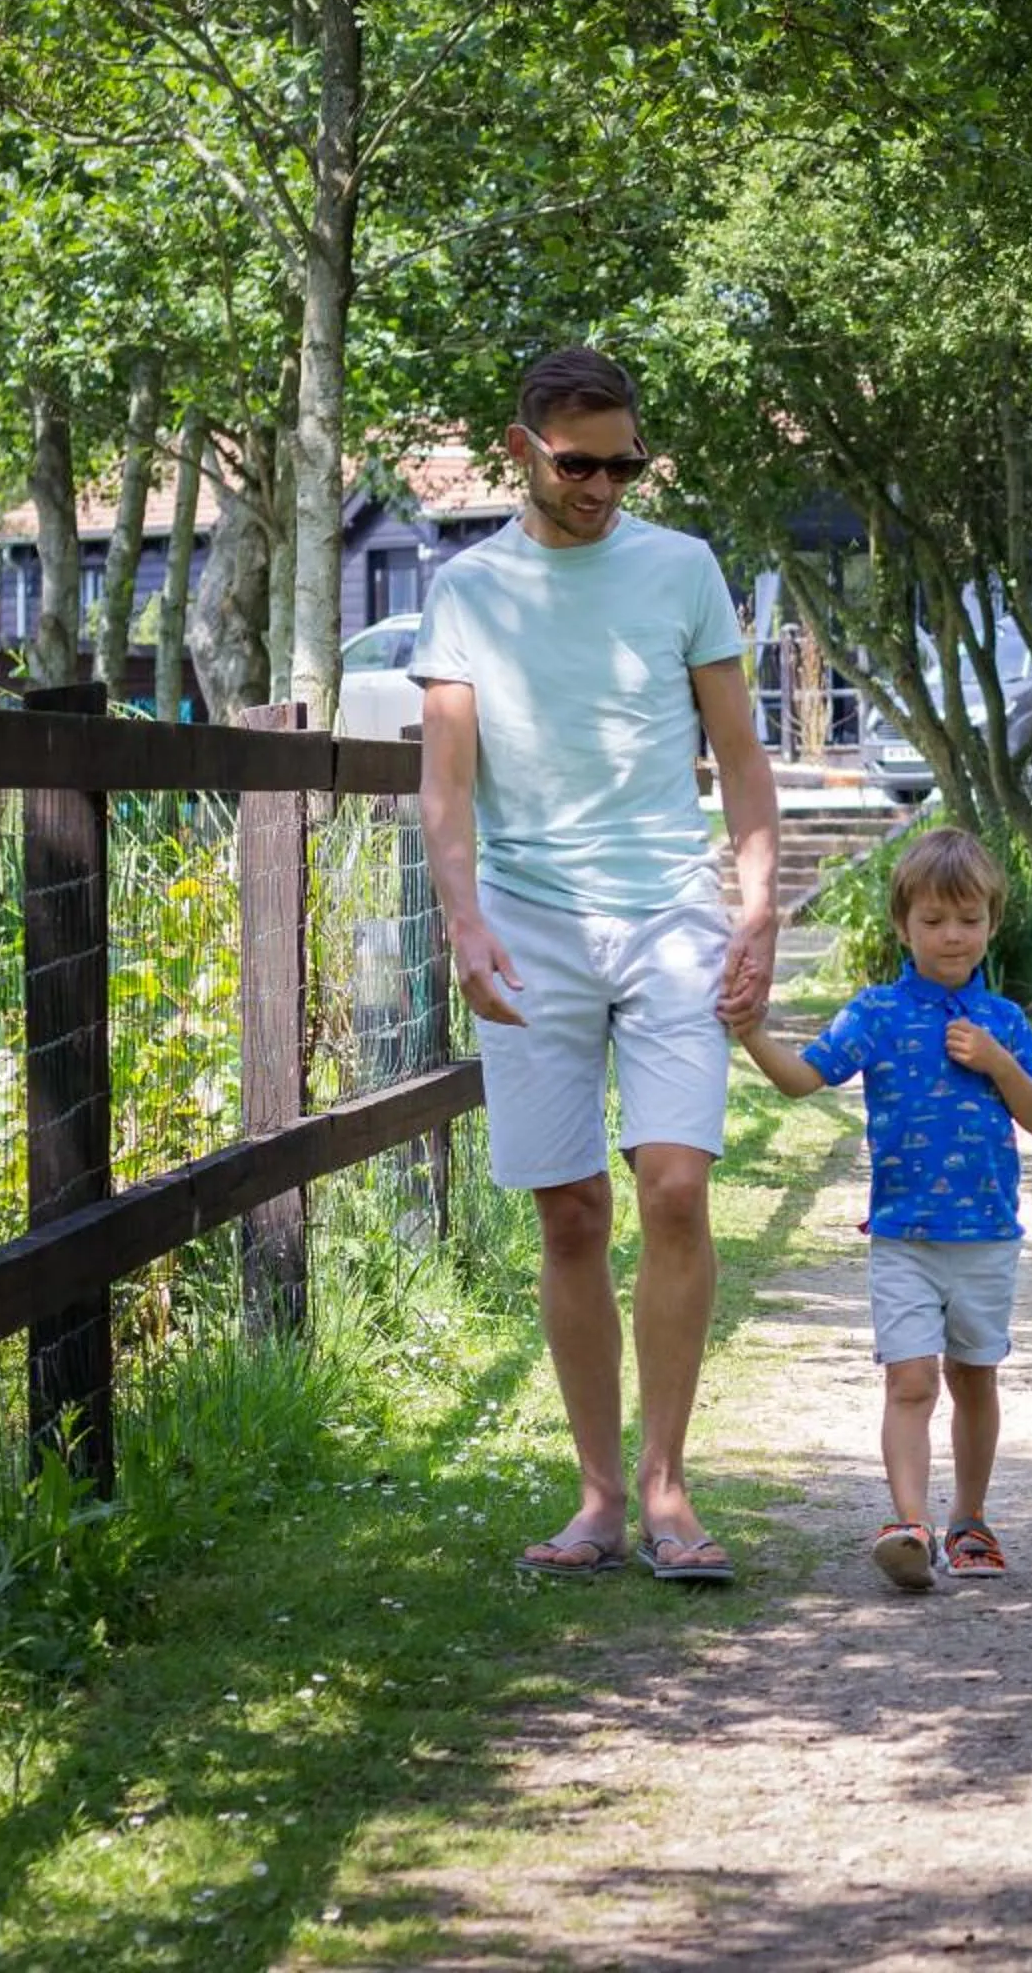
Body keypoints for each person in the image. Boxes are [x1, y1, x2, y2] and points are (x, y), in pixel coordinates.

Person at [413, 345, 781, 1585]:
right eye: (581, 465)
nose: (605, 487)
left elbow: (742, 757)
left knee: (675, 1185)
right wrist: (464, 920)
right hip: (529, 923)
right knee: (570, 1211)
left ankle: (671, 1488)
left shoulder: (682, 569)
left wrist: (757, 909)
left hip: (671, 913)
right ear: (523, 450)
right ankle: (600, 1498)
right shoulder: (469, 591)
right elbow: (446, 784)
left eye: (626, 465)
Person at [733, 827, 1032, 1590]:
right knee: (910, 1382)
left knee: (974, 1379)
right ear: (903, 925)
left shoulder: (1004, 1020)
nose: (953, 936)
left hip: (986, 1238)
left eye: (969, 919)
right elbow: (802, 1079)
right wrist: (749, 1032)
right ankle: (910, 1527)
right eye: (934, 920)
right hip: (902, 1240)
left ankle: (969, 1521)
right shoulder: (876, 1013)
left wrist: (998, 1063)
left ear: (992, 922)